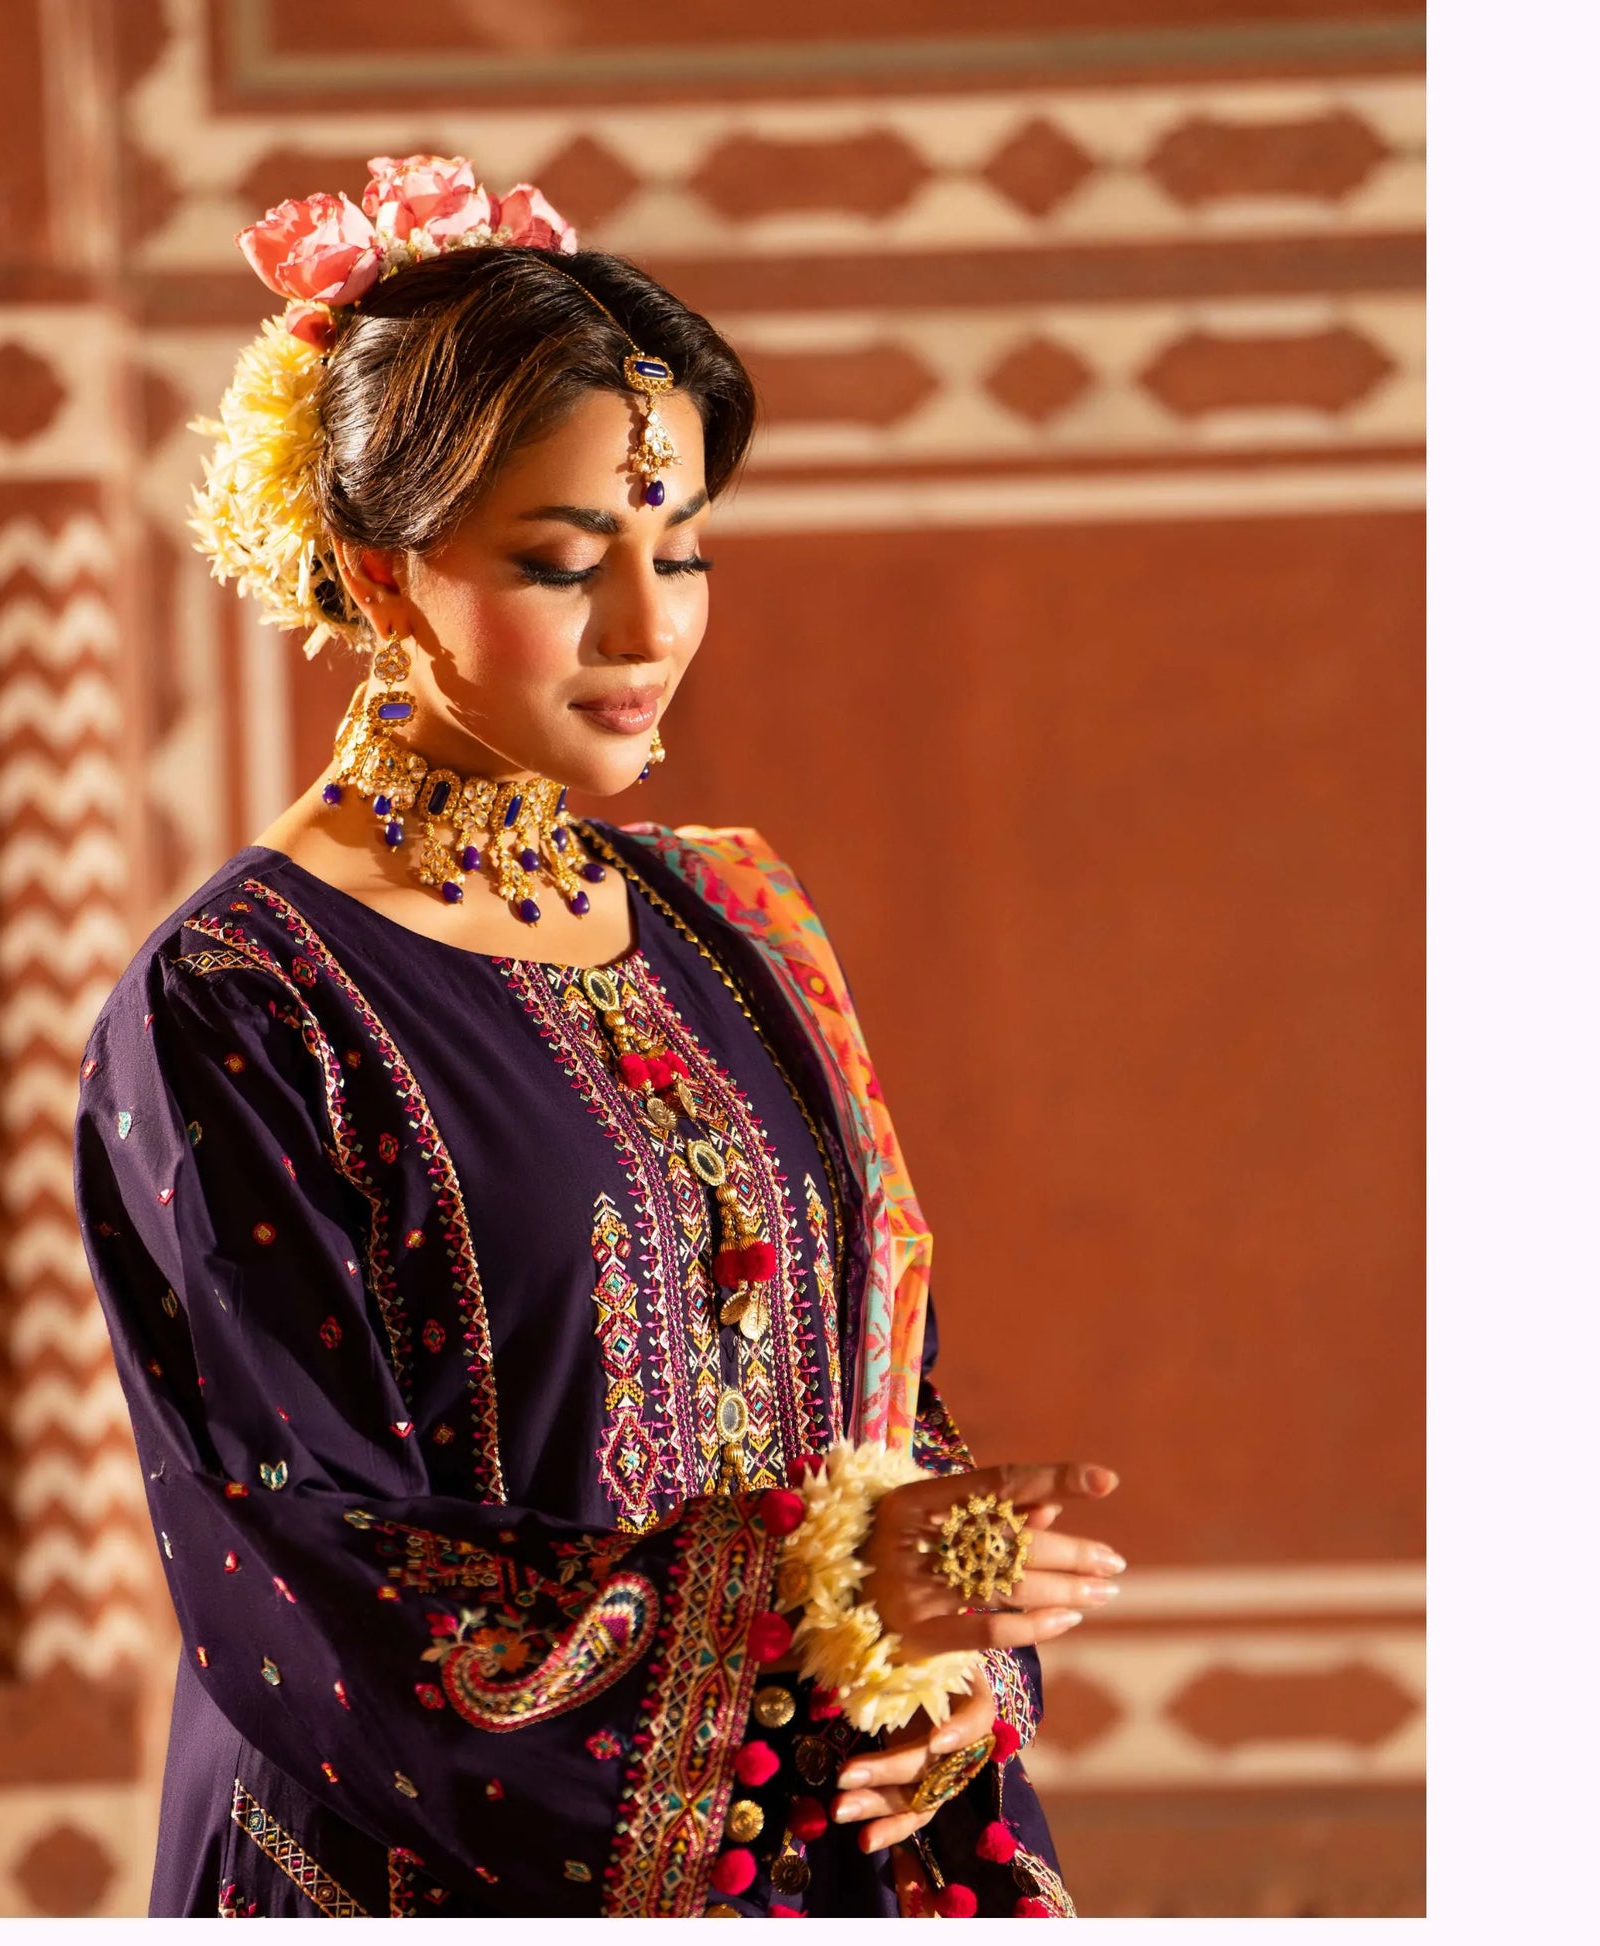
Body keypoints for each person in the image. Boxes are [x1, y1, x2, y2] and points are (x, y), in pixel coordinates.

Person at [74, 156, 1127, 1920]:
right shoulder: (247, 997)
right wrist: (802, 1599)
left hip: (821, 1822)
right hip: (435, 1866)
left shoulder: (727, 920)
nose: (649, 628)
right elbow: (301, 1548)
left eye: (682, 547)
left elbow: (872, 1395)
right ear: (380, 575)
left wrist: (950, 1638)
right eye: (563, 563)